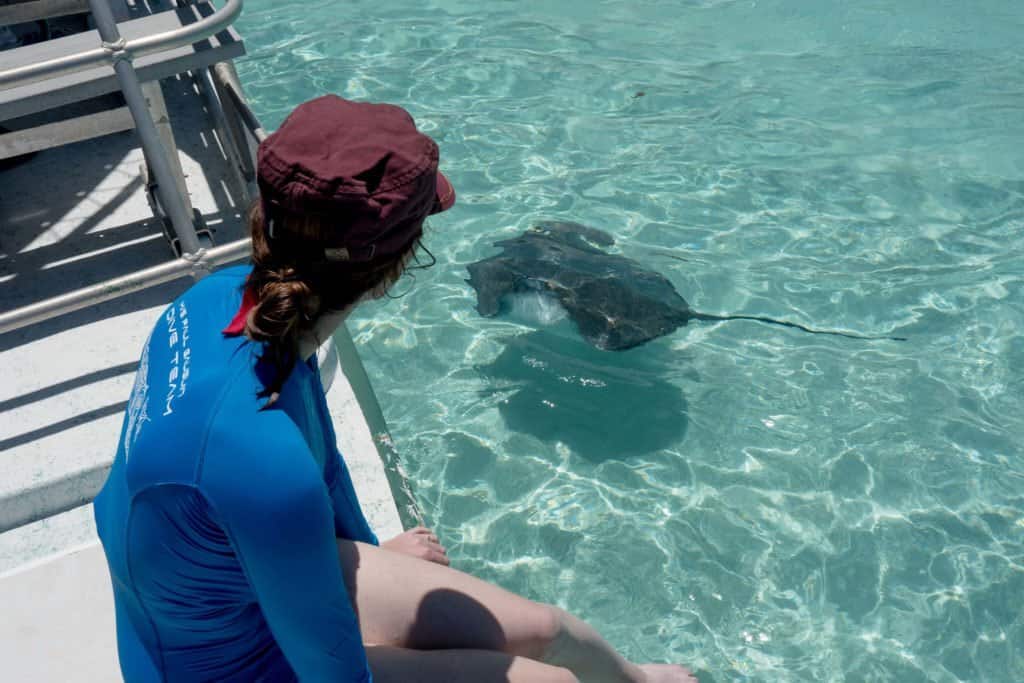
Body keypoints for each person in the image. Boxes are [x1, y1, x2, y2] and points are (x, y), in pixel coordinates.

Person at [94, 95, 697, 683]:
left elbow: (319, 457)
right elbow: (335, 671)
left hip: (236, 581)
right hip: (225, 666)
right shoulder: (260, 459)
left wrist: (367, 555)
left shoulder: (226, 300)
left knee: (553, 629)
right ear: (393, 267)